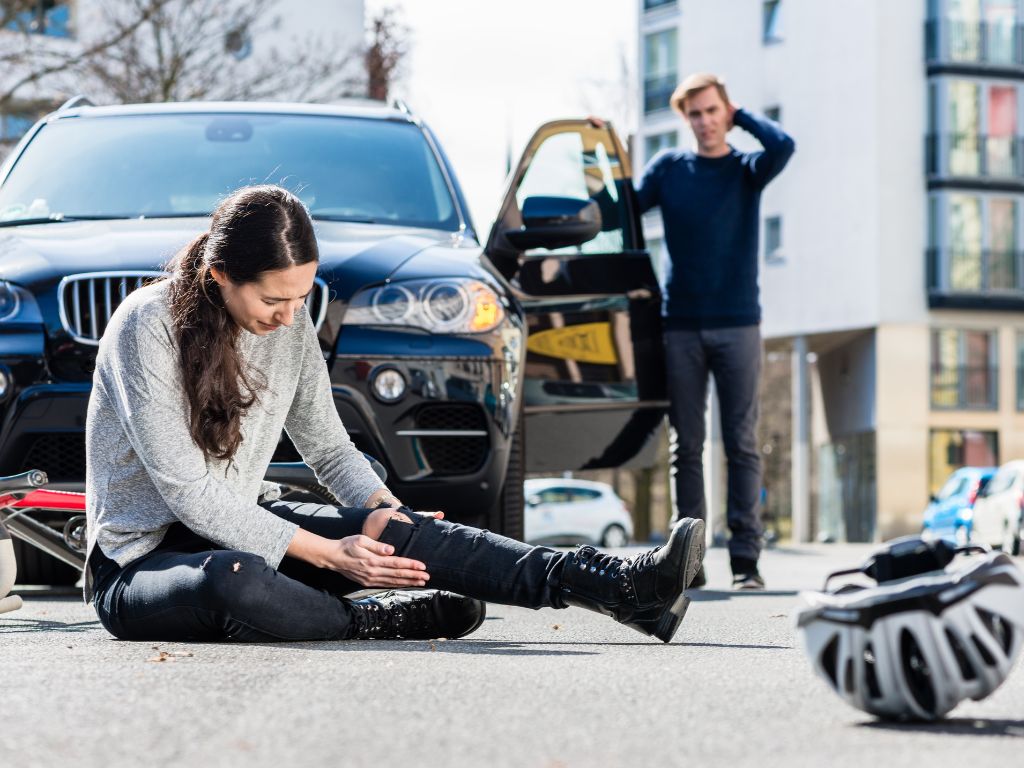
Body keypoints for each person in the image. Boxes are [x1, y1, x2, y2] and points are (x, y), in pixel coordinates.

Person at [84, 184, 706, 644]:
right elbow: (188, 494)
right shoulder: (148, 325)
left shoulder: (290, 321)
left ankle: (618, 587)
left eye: (302, 296)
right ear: (219, 273)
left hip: (242, 522)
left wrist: (390, 513)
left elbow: (328, 449)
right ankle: (369, 618)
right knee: (234, 579)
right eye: (274, 298)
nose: (287, 314)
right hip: (140, 565)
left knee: (389, 529)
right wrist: (330, 556)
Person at [634, 73, 795, 590]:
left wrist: (741, 113)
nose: (704, 122)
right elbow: (625, 206)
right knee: (687, 447)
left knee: (742, 443)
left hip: (739, 324)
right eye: (695, 114)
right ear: (686, 121)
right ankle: (690, 559)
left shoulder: (748, 170)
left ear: (725, 111)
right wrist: (604, 146)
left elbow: (783, 144)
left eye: (712, 111)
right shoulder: (670, 169)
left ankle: (746, 560)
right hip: (680, 323)